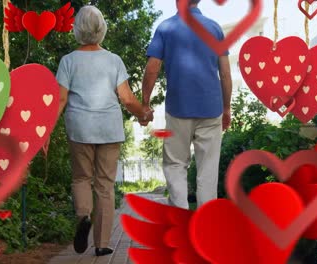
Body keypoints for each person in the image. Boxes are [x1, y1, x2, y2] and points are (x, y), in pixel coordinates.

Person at [54, 5, 154, 257]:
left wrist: (45, 132)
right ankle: (102, 243)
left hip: (79, 128)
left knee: (81, 178)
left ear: (77, 29)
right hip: (108, 128)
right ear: (102, 30)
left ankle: (84, 216)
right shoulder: (113, 60)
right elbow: (127, 98)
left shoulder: (68, 61)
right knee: (105, 185)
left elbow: (60, 100)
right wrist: (142, 113)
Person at [141, 0, 232, 209]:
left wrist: (145, 104)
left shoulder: (166, 28)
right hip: (211, 108)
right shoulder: (215, 28)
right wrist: (226, 108)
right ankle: (206, 228)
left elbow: (152, 68)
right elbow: (225, 74)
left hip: (178, 109)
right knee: (208, 171)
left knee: (175, 166)